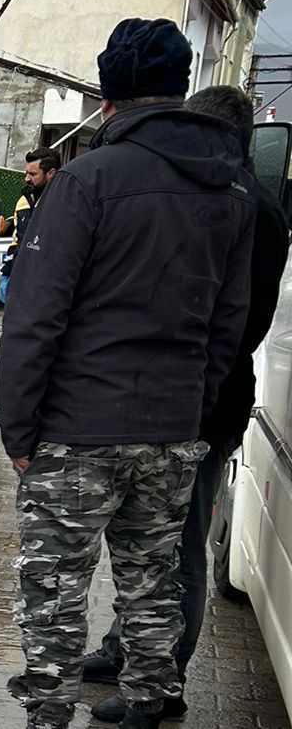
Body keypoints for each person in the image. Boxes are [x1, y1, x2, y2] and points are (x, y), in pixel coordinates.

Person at [0, 19, 255, 729]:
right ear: (178, 89)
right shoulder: (231, 193)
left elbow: (35, 317)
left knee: (54, 589)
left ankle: (47, 717)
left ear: (108, 97)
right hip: (172, 427)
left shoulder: (85, 181)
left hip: (77, 430)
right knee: (152, 583)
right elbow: (225, 326)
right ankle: (147, 706)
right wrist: (192, 412)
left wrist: (18, 427)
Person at [82, 85, 289, 724]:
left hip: (204, 402)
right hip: (181, 398)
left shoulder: (242, 206)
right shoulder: (238, 200)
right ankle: (128, 649)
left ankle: (165, 683)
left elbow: (235, 321)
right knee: (144, 542)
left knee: (178, 547)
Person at [0, 147, 60, 423]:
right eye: (26, 173)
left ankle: (1, 401)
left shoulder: (60, 202)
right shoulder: (25, 199)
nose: (27, 178)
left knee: (22, 344)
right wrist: (9, 273)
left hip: (40, 284)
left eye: (33, 173)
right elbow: (19, 240)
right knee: (11, 341)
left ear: (51, 173)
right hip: (20, 279)